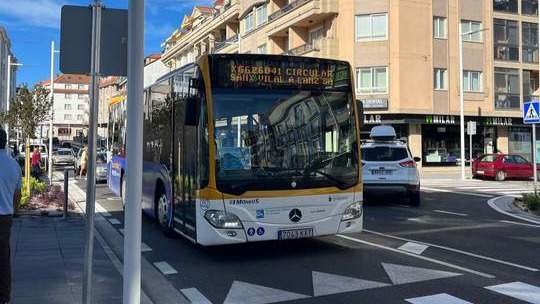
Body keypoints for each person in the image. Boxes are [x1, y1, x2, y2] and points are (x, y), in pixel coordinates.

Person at [0, 128, 22, 304]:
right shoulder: (13, 165)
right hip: (5, 218)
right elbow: (17, 195)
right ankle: (4, 297)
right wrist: (14, 210)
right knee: (3, 258)